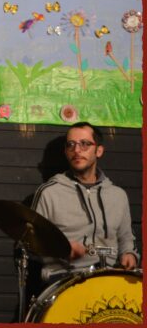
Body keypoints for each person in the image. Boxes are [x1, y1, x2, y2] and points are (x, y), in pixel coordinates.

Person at [31, 121, 139, 282]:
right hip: (64, 279)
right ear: (65, 151)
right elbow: (31, 244)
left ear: (99, 151)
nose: (76, 150)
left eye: (84, 144)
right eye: (71, 145)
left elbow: (126, 238)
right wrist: (61, 250)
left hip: (109, 277)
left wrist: (129, 254)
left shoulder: (118, 195)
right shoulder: (49, 192)